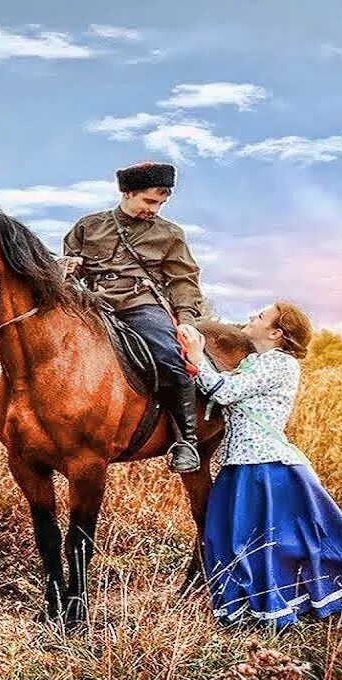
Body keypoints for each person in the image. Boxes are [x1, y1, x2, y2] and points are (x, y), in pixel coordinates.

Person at [178, 303, 342, 629]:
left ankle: (280, 604)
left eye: (261, 316)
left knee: (272, 541)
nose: (252, 317)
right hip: (240, 464)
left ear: (276, 333)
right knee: (229, 537)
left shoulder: (281, 365)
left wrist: (196, 357)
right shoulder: (254, 363)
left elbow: (225, 392)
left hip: (266, 466)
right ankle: (251, 607)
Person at [59, 162, 205, 473]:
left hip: (139, 304)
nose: (154, 209)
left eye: (161, 203)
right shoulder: (88, 226)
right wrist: (68, 267)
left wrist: (187, 319)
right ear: (127, 193)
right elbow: (71, 267)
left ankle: (186, 441)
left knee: (169, 357)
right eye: (149, 201)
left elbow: (183, 280)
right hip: (89, 303)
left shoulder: (169, 234)